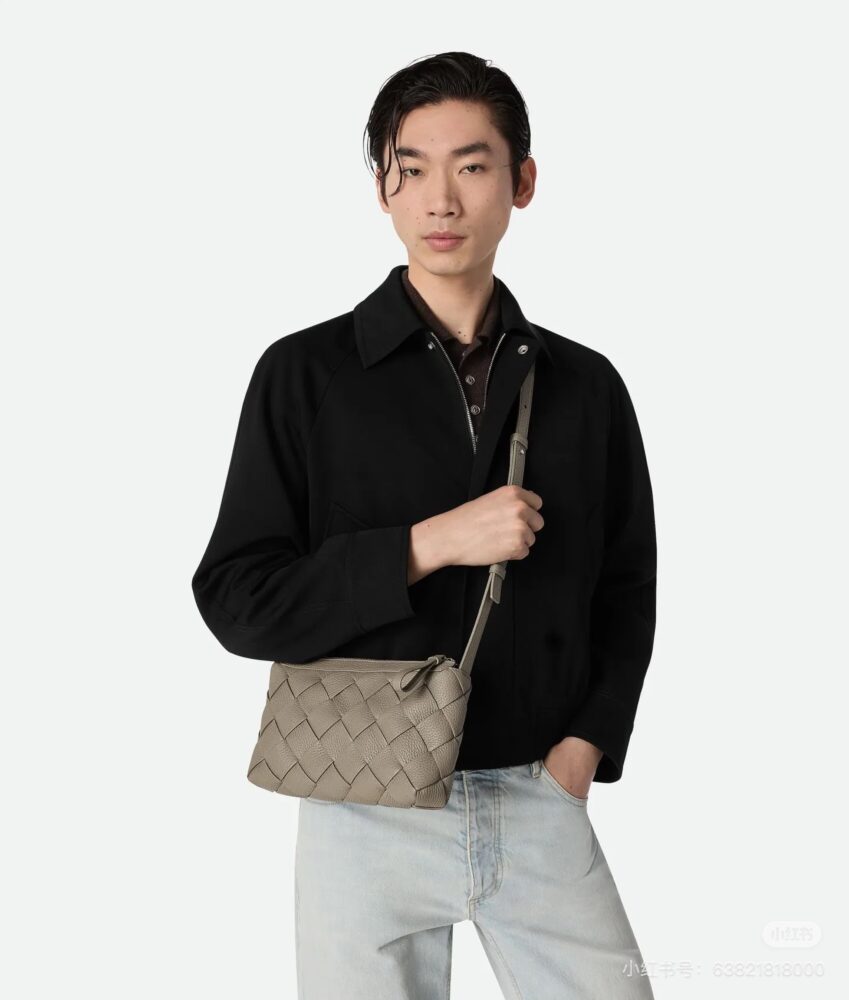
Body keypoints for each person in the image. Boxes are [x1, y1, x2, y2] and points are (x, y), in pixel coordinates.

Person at [192, 51, 657, 1000]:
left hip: (537, 793)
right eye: (411, 169)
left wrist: (585, 747)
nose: (440, 199)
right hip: (359, 806)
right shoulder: (305, 375)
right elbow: (237, 599)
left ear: (522, 181)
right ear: (382, 189)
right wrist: (428, 544)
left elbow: (627, 583)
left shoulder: (584, 385)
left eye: (472, 166)